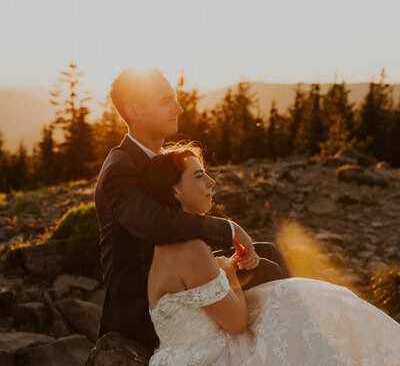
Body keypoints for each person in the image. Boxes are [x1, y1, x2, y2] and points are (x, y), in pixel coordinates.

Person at [141, 144, 400, 366]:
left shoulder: (176, 244)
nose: (212, 182)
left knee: (317, 303)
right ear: (174, 190)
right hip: (204, 360)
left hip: (202, 346)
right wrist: (230, 277)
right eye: (199, 175)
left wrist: (222, 271)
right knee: (318, 312)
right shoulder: (189, 248)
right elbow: (235, 322)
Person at [94, 67, 290, 351]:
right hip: (143, 302)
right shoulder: (120, 168)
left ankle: (294, 346)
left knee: (267, 252)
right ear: (134, 111)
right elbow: (154, 224)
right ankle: (284, 355)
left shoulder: (160, 159)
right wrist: (229, 229)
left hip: (178, 273)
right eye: (166, 101)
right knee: (265, 271)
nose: (179, 108)